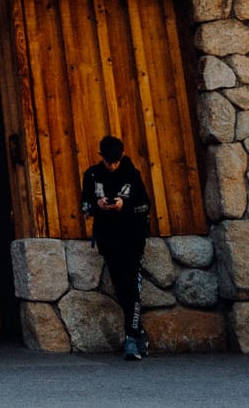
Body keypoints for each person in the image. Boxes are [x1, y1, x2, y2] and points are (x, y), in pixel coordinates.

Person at [80, 134, 151, 359]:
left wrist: (124, 205)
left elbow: (145, 206)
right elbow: (84, 206)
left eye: (115, 161)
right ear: (101, 156)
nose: (112, 165)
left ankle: (130, 338)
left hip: (132, 237)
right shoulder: (91, 175)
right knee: (121, 289)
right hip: (108, 239)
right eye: (108, 161)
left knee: (132, 288)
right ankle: (140, 333)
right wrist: (96, 205)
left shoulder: (132, 174)